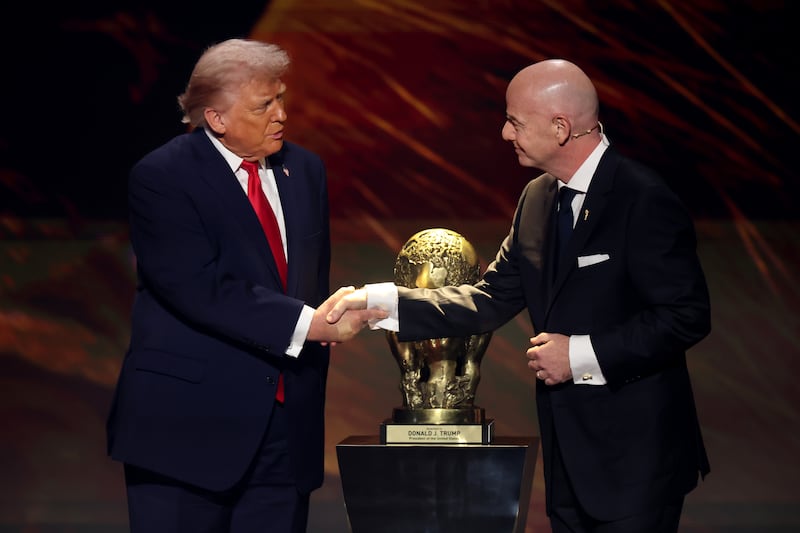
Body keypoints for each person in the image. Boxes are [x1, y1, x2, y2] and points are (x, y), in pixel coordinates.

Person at [328, 58, 711, 532]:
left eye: (515, 122)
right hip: (568, 465)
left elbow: (686, 315)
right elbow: (489, 298)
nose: (505, 133)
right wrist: (379, 303)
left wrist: (579, 355)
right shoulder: (536, 198)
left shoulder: (642, 196)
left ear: (560, 127)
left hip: (636, 463)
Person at [106, 38, 385, 533]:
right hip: (186, 431)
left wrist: (332, 313)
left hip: (285, 432)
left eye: (281, 98)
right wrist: (311, 325)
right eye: (264, 105)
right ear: (216, 118)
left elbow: (303, 282)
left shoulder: (305, 170)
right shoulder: (162, 177)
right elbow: (197, 287)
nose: (281, 114)